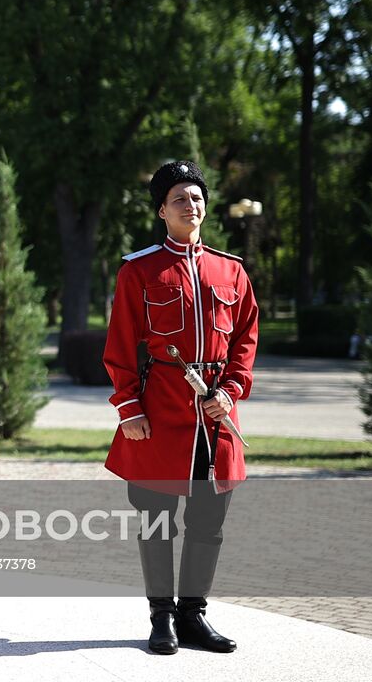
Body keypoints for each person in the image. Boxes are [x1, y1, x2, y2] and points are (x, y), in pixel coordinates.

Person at [103, 160, 258, 654]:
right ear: (161, 212)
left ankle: (194, 615)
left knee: (208, 523)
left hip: (216, 418)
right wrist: (130, 410)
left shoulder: (231, 270)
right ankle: (161, 618)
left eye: (195, 198)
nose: (190, 205)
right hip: (159, 413)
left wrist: (230, 392)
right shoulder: (139, 270)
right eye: (178, 199)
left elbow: (245, 341)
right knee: (156, 521)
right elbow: (121, 346)